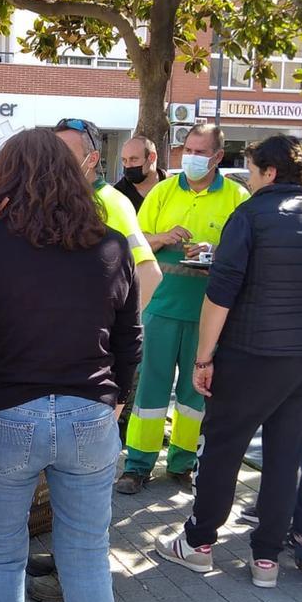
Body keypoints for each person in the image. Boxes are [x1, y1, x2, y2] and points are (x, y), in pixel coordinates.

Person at [0, 128, 142, 602]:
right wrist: (117, 401)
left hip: (8, 414)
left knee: (1, 558)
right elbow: (130, 341)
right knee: (86, 558)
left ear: (6, 175)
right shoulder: (111, 244)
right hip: (91, 415)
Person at [154, 135, 302, 589]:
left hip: (250, 355)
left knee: (223, 448)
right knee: (284, 455)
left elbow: (221, 292)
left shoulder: (250, 215)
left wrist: (203, 357)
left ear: (270, 172)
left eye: (251, 171)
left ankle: (199, 542)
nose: (249, 180)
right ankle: (266, 558)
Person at [117, 124, 249, 495]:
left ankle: (182, 463)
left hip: (208, 313)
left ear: (218, 157)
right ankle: (138, 465)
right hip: (159, 307)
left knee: (195, 395)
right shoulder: (163, 191)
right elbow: (135, 243)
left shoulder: (237, 198)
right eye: (187, 149)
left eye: (199, 151)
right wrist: (163, 238)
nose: (190, 157)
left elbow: (245, 253)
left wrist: (215, 250)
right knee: (149, 393)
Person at [53, 118, 160, 311]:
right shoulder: (60, 199)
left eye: (66, 153)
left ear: (92, 159)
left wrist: (119, 330)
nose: (55, 160)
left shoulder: (113, 203)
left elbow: (149, 273)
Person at [114, 135, 168, 212]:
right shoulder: (118, 195)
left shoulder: (173, 185)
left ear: (152, 157)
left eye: (133, 159)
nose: (128, 166)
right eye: (124, 160)